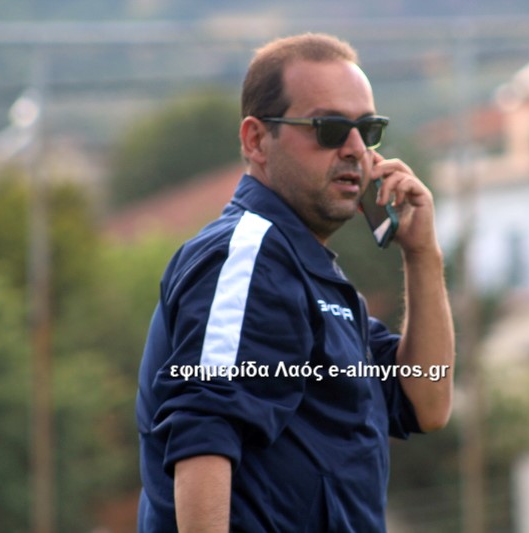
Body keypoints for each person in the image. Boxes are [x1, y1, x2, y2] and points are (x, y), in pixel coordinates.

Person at [136, 32, 455, 532]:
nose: (356, 150)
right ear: (256, 140)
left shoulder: (310, 275)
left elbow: (426, 401)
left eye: (368, 129)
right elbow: (204, 435)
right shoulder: (248, 258)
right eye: (330, 129)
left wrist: (422, 255)